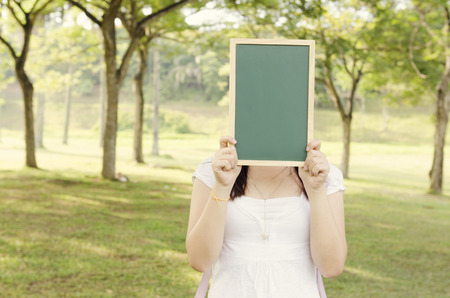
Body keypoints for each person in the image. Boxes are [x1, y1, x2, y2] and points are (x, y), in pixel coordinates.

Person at [186, 135, 347, 297]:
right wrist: (222, 186)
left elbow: (331, 266)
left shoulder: (324, 173)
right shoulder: (213, 170)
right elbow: (199, 260)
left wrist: (317, 190)